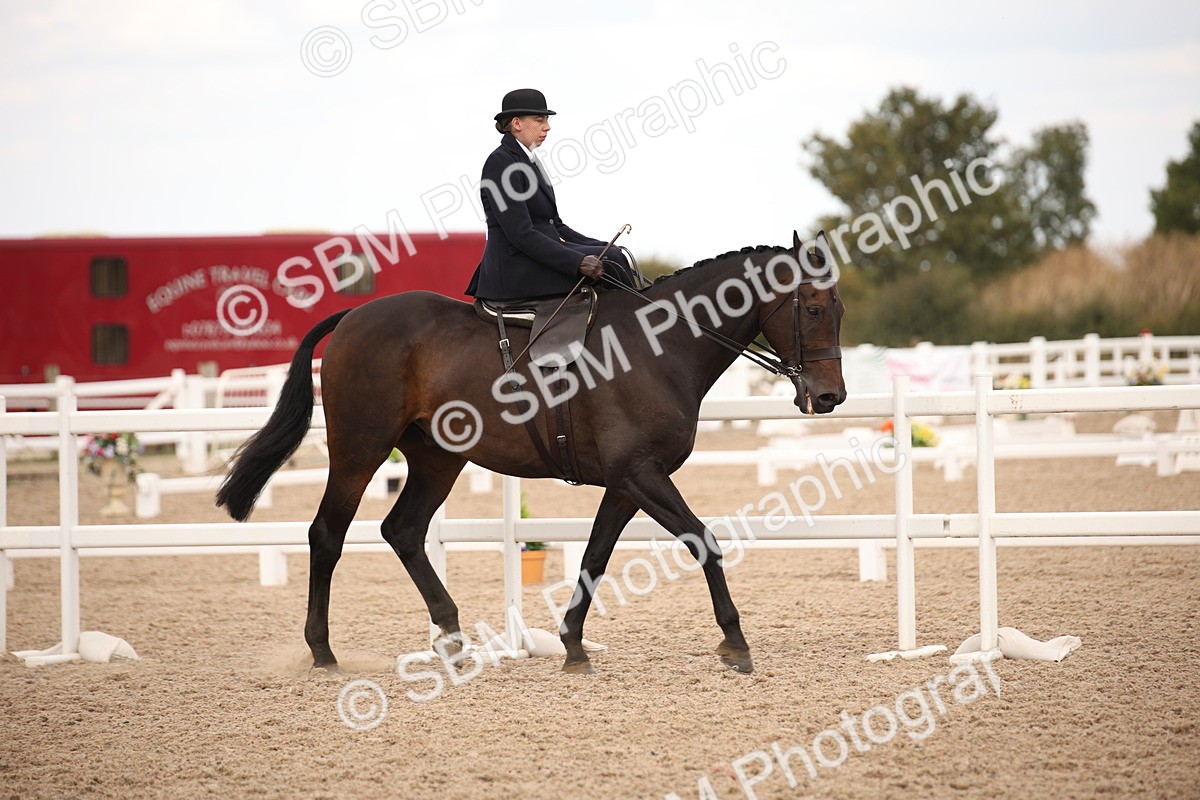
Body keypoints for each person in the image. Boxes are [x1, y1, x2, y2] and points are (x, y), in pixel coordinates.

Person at [465, 88, 634, 301]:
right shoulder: (501, 162)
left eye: (547, 120)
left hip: (537, 255)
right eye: (539, 120)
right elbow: (521, 234)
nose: (547, 127)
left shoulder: (531, 161)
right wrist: (577, 262)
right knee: (611, 260)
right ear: (517, 123)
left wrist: (601, 245)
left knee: (612, 255)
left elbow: (556, 225)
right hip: (514, 269)